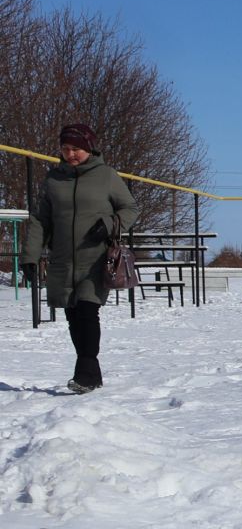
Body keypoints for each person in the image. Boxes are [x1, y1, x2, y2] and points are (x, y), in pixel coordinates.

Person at [25, 122, 136, 394]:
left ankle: (85, 372)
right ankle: (90, 372)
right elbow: (40, 220)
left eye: (76, 148)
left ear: (89, 148)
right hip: (63, 259)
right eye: (65, 148)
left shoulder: (107, 176)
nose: (70, 154)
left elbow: (130, 208)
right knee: (73, 314)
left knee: (88, 311)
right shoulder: (53, 180)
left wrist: (110, 225)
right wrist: (30, 256)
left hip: (96, 258)